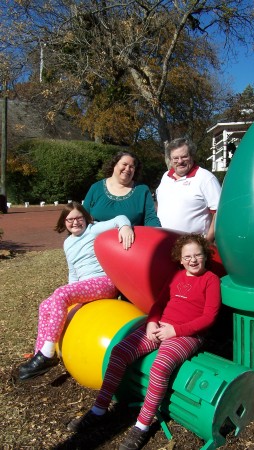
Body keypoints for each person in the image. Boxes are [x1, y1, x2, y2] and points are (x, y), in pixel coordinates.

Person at [67, 233, 221, 450]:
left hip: (188, 334)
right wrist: (152, 322)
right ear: (180, 258)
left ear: (205, 255)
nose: (193, 260)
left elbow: (208, 318)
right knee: (120, 352)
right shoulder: (177, 276)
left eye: (198, 255)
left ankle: (142, 425)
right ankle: (99, 409)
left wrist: (175, 331)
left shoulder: (211, 280)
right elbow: (159, 303)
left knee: (160, 367)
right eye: (188, 256)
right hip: (160, 327)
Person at [18, 201, 134, 381]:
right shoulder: (67, 243)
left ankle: (47, 354)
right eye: (70, 219)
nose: (75, 222)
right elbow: (73, 272)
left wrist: (125, 227)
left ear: (86, 219)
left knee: (61, 294)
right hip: (84, 288)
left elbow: (120, 218)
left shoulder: (93, 230)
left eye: (79, 218)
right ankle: (40, 354)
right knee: (45, 305)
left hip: (104, 283)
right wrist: (71, 298)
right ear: (64, 222)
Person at [156, 138, 221, 242]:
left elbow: (219, 212)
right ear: (170, 159)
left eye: (184, 157)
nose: (180, 161)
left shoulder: (206, 178)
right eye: (175, 158)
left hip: (193, 248)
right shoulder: (165, 177)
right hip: (164, 242)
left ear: (192, 156)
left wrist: (208, 241)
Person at [83, 151, 161, 226]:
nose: (127, 169)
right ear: (114, 165)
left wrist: (158, 234)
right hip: (97, 238)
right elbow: (83, 216)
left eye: (131, 167)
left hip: (131, 238)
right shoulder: (96, 188)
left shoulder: (142, 190)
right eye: (124, 164)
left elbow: (150, 218)